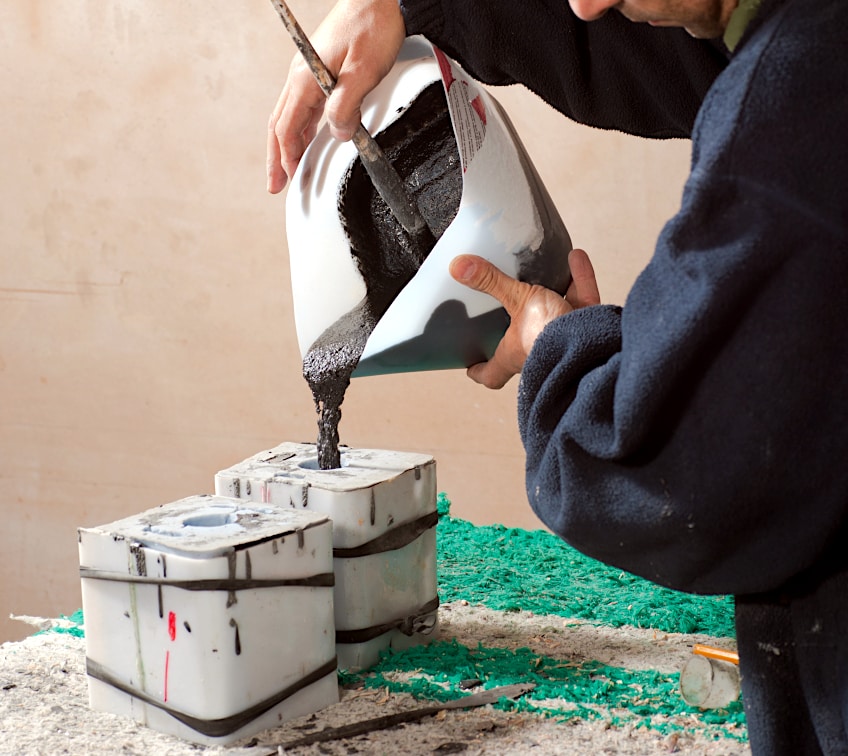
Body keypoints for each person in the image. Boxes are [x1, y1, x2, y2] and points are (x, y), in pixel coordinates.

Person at [266, 0, 848, 752]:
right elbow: (677, 59)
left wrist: (564, 356)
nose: (585, 4)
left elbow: (685, 477)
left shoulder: (797, 97)